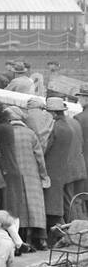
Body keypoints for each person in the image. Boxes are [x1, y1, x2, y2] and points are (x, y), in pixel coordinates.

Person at [0, 103, 49, 252]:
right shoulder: (30, 133)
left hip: (11, 174)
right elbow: (39, 157)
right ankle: (39, 240)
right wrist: (44, 175)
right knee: (34, 207)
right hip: (31, 174)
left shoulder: (3, 131)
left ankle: (19, 241)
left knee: (15, 207)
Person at [43, 97, 86, 243]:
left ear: (54, 113)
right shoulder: (73, 122)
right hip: (75, 166)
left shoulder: (56, 127)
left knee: (63, 203)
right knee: (73, 201)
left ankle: (72, 234)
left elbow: (46, 148)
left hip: (61, 169)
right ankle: (78, 232)